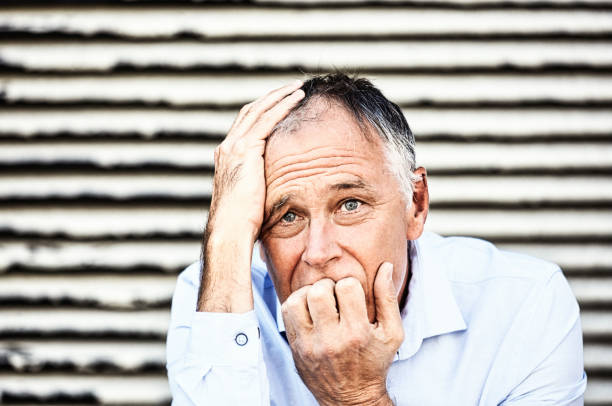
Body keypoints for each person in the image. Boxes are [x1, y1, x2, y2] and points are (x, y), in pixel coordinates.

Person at [166, 73, 587, 405]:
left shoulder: (524, 304)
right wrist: (224, 234)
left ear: (416, 205)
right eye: (288, 216)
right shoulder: (215, 295)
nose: (319, 252)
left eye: (350, 204)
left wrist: (355, 397)